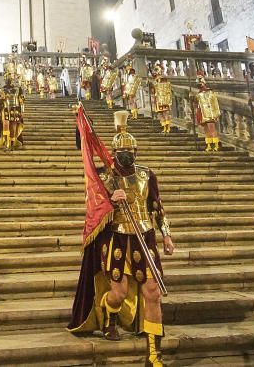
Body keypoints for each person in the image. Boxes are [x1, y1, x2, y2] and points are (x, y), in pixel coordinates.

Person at [68, 110, 174, 367]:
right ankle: (109, 314)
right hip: (116, 239)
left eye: (130, 150)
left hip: (144, 236)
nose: (127, 154)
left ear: (136, 151)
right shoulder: (105, 178)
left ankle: (153, 355)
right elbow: (93, 209)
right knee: (119, 292)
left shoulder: (147, 175)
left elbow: (157, 207)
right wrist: (110, 199)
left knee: (153, 293)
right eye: (121, 151)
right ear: (114, 153)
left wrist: (167, 235)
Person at [0, 71, 25, 151]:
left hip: (15, 110)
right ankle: (7, 143)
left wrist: (22, 111)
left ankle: (12, 143)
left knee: (13, 127)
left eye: (10, 78)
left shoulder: (18, 89)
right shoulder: (1, 90)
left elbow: (22, 101)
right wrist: (1, 99)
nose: (9, 80)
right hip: (5, 109)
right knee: (5, 125)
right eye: (7, 78)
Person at [194, 74, 221, 152]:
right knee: (206, 130)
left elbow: (215, 104)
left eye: (201, 83)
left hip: (210, 114)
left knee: (212, 129)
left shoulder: (210, 93)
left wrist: (217, 114)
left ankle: (216, 145)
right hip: (202, 114)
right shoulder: (198, 95)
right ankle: (209, 145)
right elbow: (196, 104)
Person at [149, 63, 173, 133]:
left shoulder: (162, 78)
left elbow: (165, 88)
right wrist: (150, 85)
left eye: (157, 70)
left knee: (165, 113)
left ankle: (168, 127)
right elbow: (153, 90)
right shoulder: (155, 80)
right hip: (157, 99)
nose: (155, 72)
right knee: (160, 114)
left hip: (163, 98)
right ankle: (164, 127)